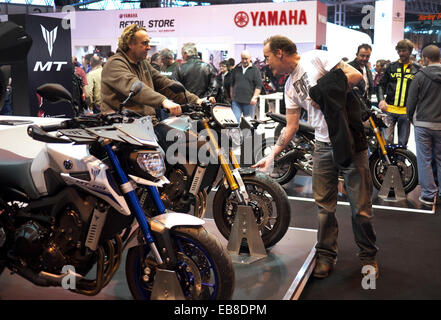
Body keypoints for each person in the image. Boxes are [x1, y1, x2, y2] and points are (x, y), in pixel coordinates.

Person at [253, 35, 378, 279]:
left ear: (280, 52)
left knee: (361, 209)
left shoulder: (316, 58)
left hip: (351, 142)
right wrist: (272, 155)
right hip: (321, 146)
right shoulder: (289, 87)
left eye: (268, 57)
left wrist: (323, 92)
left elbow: (355, 76)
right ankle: (325, 255)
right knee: (324, 209)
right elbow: (291, 127)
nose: (267, 63)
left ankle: (368, 256)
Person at [100, 24, 202, 148]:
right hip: (124, 129)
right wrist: (164, 101)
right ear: (130, 44)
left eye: (149, 43)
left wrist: (196, 100)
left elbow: (163, 83)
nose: (149, 47)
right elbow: (134, 87)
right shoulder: (115, 64)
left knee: (190, 141)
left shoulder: (142, 63)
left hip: (146, 125)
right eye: (144, 43)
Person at [407, 45, 441, 206]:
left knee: (424, 159)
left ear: (426, 59)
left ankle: (428, 194)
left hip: (422, 123)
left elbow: (411, 100)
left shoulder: (419, 76)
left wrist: (410, 118)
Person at [377, 39, 421, 146]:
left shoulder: (417, 69)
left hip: (406, 112)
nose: (401, 53)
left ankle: (401, 163)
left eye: (404, 51)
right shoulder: (390, 67)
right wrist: (381, 100)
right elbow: (381, 85)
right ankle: (388, 163)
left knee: (403, 143)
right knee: (386, 141)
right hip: (389, 110)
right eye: (399, 51)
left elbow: (421, 90)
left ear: (410, 51)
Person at [230, 50, 262, 121]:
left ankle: (247, 132)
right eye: (242, 58)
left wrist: (254, 97)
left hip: (249, 101)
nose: (244, 61)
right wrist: (232, 96)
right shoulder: (236, 68)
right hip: (236, 101)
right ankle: (235, 132)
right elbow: (232, 83)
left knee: (247, 123)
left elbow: (258, 85)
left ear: (250, 58)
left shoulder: (255, 70)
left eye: (246, 59)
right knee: (234, 122)